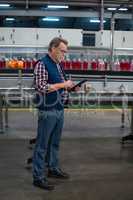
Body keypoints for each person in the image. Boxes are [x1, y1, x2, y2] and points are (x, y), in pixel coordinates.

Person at [32, 37, 75, 190]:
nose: (64, 54)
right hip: (48, 110)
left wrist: (73, 87)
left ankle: (53, 168)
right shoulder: (42, 64)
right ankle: (38, 177)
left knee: (54, 142)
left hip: (59, 108)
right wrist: (64, 84)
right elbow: (42, 87)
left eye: (65, 52)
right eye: (62, 51)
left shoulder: (58, 65)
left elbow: (61, 85)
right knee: (42, 145)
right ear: (53, 48)